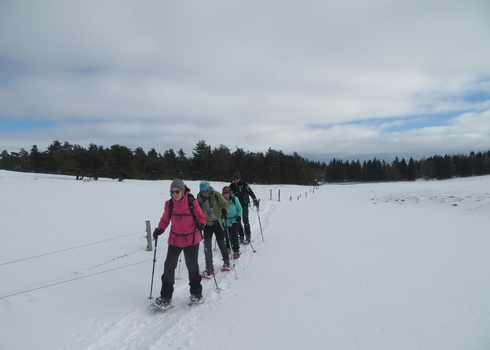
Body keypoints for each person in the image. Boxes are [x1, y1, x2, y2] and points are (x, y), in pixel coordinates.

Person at [152, 179, 207, 308]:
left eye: (177, 191)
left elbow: (201, 217)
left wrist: (201, 224)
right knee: (169, 267)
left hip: (191, 240)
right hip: (175, 240)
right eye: (172, 192)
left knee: (192, 267)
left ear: (182, 191)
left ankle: (196, 293)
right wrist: (160, 229)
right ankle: (165, 296)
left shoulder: (192, 203)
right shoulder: (169, 204)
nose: (174, 194)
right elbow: (165, 219)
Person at [196, 181, 230, 277]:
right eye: (202, 191)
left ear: (209, 189)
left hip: (218, 222)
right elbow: (196, 210)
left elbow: (225, 205)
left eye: (206, 190)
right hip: (207, 224)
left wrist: (225, 210)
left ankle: (226, 260)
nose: (205, 193)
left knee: (221, 243)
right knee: (207, 246)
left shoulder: (216, 195)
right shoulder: (199, 198)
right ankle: (209, 267)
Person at [229, 171, 259, 244]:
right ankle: (241, 235)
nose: (236, 180)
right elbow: (227, 194)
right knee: (238, 221)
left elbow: (250, 192)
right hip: (236, 206)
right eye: (235, 178)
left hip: (244, 204)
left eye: (237, 178)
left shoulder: (244, 185)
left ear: (240, 178)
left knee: (245, 220)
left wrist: (255, 200)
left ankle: (248, 236)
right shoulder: (232, 186)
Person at [222, 186, 243, 259]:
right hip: (226, 220)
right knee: (227, 234)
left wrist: (239, 216)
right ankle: (228, 246)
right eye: (224, 193)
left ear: (230, 192)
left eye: (227, 192)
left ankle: (236, 249)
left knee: (234, 234)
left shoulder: (234, 199)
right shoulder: (221, 200)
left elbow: (239, 208)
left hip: (234, 219)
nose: (226, 194)